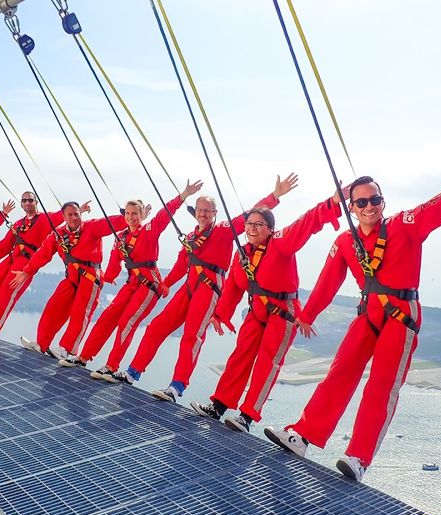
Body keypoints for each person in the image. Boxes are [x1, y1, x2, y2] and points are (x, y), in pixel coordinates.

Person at [265, 144, 441, 482]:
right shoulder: (345, 242)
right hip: (368, 315)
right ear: (351, 208)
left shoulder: (405, 225)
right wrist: (307, 314)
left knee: (381, 385)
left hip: (400, 315)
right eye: (361, 202)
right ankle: (303, 436)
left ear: (383, 202)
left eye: (375, 200)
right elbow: (327, 281)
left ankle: (358, 457)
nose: (369, 206)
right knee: (339, 373)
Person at [104, 174, 297, 402]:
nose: (203, 214)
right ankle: (133, 372)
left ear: (215, 213)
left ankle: (176, 386)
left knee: (192, 336)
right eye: (199, 210)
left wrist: (274, 196)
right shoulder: (191, 237)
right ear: (195, 212)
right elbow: (181, 265)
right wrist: (166, 284)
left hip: (208, 287)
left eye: (207, 211)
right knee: (156, 327)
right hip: (189, 286)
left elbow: (248, 216)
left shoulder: (223, 230)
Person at [190, 192, 342, 432]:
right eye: (249, 224)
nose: (252, 228)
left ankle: (247, 416)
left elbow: (304, 224)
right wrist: (220, 314)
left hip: (283, 313)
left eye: (258, 224)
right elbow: (233, 287)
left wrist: (330, 204)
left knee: (267, 362)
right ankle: (218, 406)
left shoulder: (281, 243)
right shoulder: (242, 254)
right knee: (240, 356)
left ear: (270, 229)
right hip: (257, 311)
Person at [62, 181, 204, 376]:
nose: (131, 217)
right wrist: (105, 277)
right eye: (128, 213)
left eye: (135, 213)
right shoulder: (120, 237)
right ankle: (84, 357)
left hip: (149, 284)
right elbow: (113, 263)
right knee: (107, 317)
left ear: (142, 215)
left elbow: (165, 213)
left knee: (126, 322)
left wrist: (184, 195)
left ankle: (111, 366)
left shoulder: (150, 230)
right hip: (132, 283)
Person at [0, 192, 85, 337]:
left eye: (30, 200)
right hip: (12, 257)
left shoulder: (45, 218)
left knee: (7, 291)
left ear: (36, 202)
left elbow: (64, 215)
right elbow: (5, 245)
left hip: (26, 261)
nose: (27, 203)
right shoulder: (19, 223)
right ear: (21, 204)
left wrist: (78, 211)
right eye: (24, 200)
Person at [12, 201, 127, 358]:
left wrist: (126, 215)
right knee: (53, 308)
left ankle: (67, 349)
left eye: (76, 214)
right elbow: (43, 253)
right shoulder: (58, 234)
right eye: (70, 215)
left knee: (80, 313)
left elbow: (111, 223)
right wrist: (27, 271)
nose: (74, 218)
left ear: (80, 214)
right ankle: (41, 344)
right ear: (64, 216)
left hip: (90, 277)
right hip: (71, 277)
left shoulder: (92, 227)